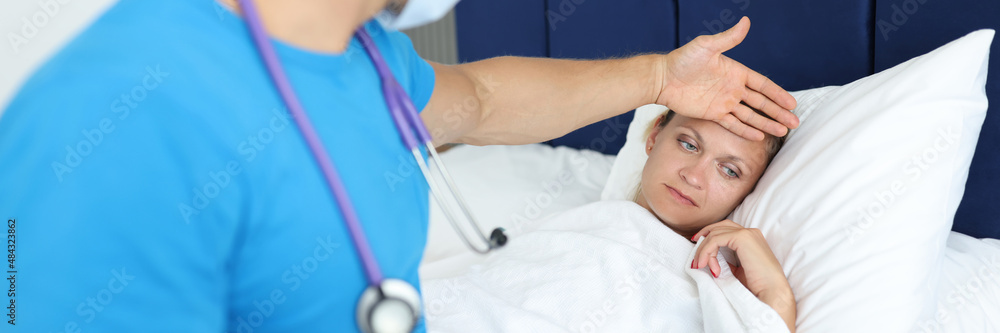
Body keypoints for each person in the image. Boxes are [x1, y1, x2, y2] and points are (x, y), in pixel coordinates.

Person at [0, 0, 797, 331]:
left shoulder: (369, 64)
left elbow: (482, 99)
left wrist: (660, 76)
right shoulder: (131, 102)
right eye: (685, 139)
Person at [632, 109, 795, 331]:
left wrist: (777, 294)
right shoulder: (580, 222)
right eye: (688, 145)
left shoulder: (715, 290)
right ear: (654, 137)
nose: (693, 177)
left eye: (729, 171)